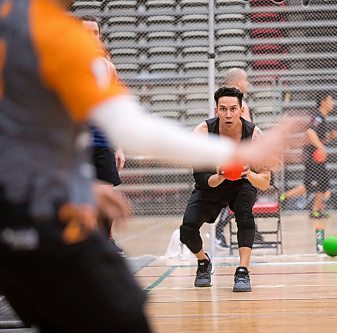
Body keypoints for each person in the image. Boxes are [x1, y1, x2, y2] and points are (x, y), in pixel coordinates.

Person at [0, 1, 298, 331]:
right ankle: (203, 262)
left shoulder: (16, 24)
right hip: (26, 213)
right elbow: (135, 131)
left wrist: (72, 180)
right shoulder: (54, 35)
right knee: (124, 312)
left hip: (26, 203)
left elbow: (28, 129)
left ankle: (241, 268)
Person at [180, 87, 270, 292]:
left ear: (241, 110)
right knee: (187, 230)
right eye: (223, 109)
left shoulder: (254, 135)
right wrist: (220, 175)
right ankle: (203, 262)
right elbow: (201, 178)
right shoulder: (202, 133)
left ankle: (242, 271)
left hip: (242, 183)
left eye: (233, 109)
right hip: (212, 182)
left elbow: (264, 182)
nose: (228, 114)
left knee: (244, 214)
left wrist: (248, 174)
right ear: (216, 110)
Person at [81, 15, 126, 256]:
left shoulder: (108, 68)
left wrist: (119, 146)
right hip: (75, 144)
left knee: (106, 197)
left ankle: (105, 245)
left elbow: (115, 109)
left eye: (94, 33)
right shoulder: (64, 64)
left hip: (103, 143)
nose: (91, 38)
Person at [215, 68, 264, 248]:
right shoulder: (237, 105)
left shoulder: (224, 103)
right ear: (236, 82)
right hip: (236, 157)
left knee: (245, 196)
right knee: (242, 195)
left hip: (235, 155)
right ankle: (220, 231)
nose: (247, 83)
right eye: (245, 79)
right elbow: (248, 132)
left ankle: (252, 235)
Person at [279, 92, 337, 219]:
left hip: (315, 156)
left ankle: (317, 210)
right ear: (323, 102)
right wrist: (321, 147)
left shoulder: (322, 118)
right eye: (330, 100)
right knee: (313, 185)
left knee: (322, 183)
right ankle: (284, 197)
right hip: (313, 157)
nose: (332, 103)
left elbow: (316, 138)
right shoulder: (318, 117)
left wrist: (328, 138)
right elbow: (310, 132)